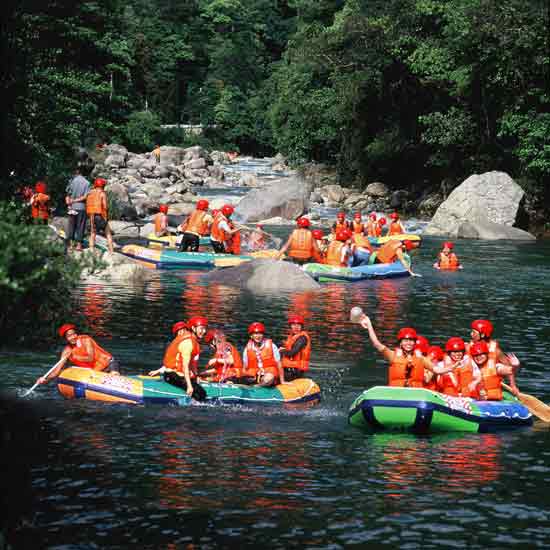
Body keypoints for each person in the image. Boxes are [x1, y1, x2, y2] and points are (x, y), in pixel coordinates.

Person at [358, 317, 451, 387]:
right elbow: (377, 344)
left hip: (415, 395)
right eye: (405, 341)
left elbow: (437, 370)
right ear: (400, 343)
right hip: (397, 394)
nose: (408, 343)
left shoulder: (421, 359)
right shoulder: (393, 356)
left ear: (414, 343)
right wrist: (369, 325)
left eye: (411, 341)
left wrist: (450, 368)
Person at [35, 324, 120, 386]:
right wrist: (45, 379)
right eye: (69, 336)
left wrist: (74, 356)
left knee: (114, 378)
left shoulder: (86, 339)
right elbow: (56, 371)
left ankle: (116, 375)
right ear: (66, 339)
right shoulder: (66, 351)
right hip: (95, 372)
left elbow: (90, 358)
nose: (73, 337)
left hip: (109, 364)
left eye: (74, 334)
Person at [148, 318, 208, 401]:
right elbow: (185, 366)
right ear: (193, 328)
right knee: (201, 393)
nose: (204, 331)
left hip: (177, 374)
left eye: (205, 328)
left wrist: (195, 377)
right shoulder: (188, 343)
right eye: (201, 328)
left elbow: (190, 364)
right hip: (173, 376)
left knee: (195, 384)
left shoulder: (194, 342)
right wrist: (189, 386)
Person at [467, 319, 519, 395]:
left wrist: (513, 385)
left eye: (474, 332)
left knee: (499, 367)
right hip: (473, 380)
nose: (471, 334)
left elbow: (509, 369)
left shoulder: (495, 350)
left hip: (490, 379)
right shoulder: (468, 346)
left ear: (482, 335)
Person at [242, 322, 285, 387]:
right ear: (251, 336)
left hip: (268, 375)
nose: (258, 336)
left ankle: (258, 386)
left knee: (269, 377)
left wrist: (282, 381)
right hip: (255, 376)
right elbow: (244, 367)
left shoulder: (272, 346)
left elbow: (279, 364)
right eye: (255, 334)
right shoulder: (247, 349)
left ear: (263, 335)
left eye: (260, 333)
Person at [65, 164, 91, 252]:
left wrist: (69, 203)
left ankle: (70, 246)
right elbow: (85, 197)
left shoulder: (71, 181)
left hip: (72, 208)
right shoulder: (87, 183)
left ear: (77, 172)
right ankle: (79, 246)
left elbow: (67, 194)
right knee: (80, 226)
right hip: (81, 208)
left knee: (71, 226)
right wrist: (75, 201)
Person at [279, 314, 311, 381]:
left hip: (296, 371)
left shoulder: (302, 338)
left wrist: (281, 351)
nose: (296, 327)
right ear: (290, 326)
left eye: (298, 325)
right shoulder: (291, 337)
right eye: (293, 325)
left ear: (302, 327)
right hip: (289, 367)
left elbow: (292, 353)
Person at [86, 178, 114, 254]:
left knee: (92, 233)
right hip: (100, 216)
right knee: (108, 233)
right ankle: (111, 251)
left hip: (92, 216)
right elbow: (105, 206)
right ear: (102, 185)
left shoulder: (90, 193)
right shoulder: (102, 193)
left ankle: (91, 249)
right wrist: (107, 216)